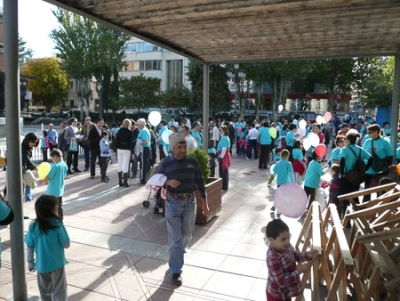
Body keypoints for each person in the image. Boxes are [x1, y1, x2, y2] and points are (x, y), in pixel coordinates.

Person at [157, 133, 209, 286]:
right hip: (173, 203)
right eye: (179, 147)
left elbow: (200, 183)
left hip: (190, 202)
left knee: (187, 233)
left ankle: (181, 249)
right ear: (173, 148)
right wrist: (167, 182)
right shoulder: (166, 163)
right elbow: (155, 182)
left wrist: (205, 203)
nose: (182, 150)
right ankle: (175, 270)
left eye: (184, 146)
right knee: (175, 239)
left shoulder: (192, 162)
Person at [25, 195, 70, 301]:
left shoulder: (33, 227)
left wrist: (30, 262)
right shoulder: (57, 225)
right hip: (57, 264)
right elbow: (66, 244)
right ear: (52, 209)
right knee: (59, 290)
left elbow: (29, 245)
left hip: (41, 265)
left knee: (44, 292)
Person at [265, 219, 317, 301]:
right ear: (271, 240)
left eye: (288, 237)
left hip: (286, 292)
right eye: (283, 239)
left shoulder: (286, 246)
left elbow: (296, 255)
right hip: (277, 295)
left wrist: (307, 255)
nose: (287, 242)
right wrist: (299, 270)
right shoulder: (272, 258)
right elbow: (281, 282)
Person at [362, 124, 393, 202]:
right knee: (367, 188)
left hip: (381, 170)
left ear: (376, 132)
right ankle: (365, 207)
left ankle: (380, 206)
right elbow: (363, 154)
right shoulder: (367, 141)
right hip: (368, 169)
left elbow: (390, 156)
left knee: (381, 189)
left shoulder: (384, 142)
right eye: (367, 132)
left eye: (370, 132)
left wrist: (386, 168)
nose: (368, 134)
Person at [40, 149, 68, 220]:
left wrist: (42, 181)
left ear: (55, 156)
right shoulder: (64, 165)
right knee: (59, 205)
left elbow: (49, 177)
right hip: (60, 188)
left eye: (52, 158)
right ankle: (60, 218)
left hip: (52, 189)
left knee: (51, 206)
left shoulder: (55, 166)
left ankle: (52, 219)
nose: (53, 160)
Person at [116, 119, 134, 187]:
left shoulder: (120, 130)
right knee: (125, 165)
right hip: (127, 149)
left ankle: (120, 182)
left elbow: (116, 138)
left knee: (120, 164)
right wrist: (133, 152)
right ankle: (125, 182)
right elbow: (131, 143)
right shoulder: (130, 132)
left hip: (119, 148)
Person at [22, 133, 39, 202]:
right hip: (19, 171)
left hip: (24, 170)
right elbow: (26, 160)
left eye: (35, 142)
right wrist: (36, 168)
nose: (34, 144)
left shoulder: (27, 148)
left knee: (28, 184)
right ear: (28, 140)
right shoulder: (23, 149)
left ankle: (28, 198)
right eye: (33, 142)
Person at [217, 125, 231, 191]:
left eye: (220, 130)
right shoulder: (225, 137)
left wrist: (221, 157)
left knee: (223, 172)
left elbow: (224, 148)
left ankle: (224, 186)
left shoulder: (224, 138)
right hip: (224, 156)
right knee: (224, 171)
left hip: (223, 157)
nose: (219, 131)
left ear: (224, 131)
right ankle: (224, 186)